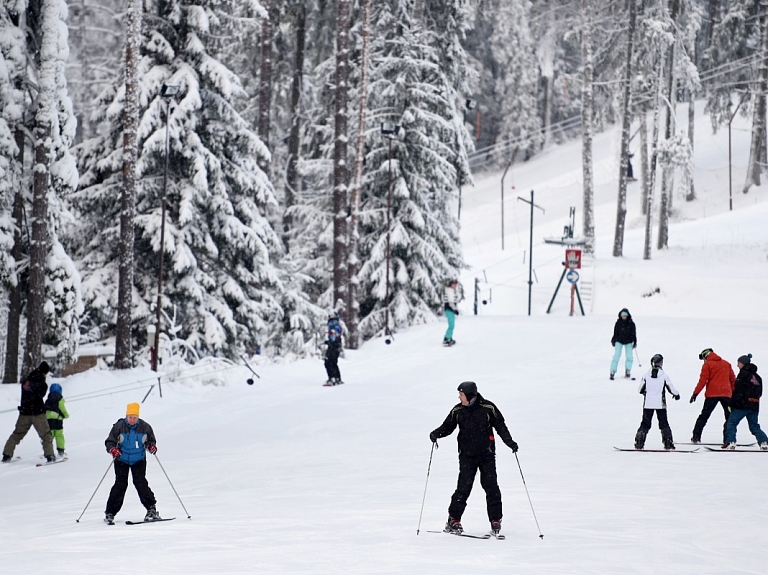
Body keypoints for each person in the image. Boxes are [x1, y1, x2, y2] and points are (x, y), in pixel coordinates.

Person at [429, 381, 519, 537]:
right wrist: (436, 433)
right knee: (463, 488)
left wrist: (509, 442)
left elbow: (500, 426)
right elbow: (448, 426)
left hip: (486, 455)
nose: (459, 397)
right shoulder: (457, 410)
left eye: (461, 394)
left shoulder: (488, 408)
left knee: (491, 487)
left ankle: (495, 519)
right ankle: (453, 520)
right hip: (467, 456)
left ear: (470, 395)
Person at [104, 402, 160, 525]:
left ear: (138, 417)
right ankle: (110, 513)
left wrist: (151, 446)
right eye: (130, 417)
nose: (132, 420)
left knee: (140, 483)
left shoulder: (145, 427)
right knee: (120, 484)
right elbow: (109, 442)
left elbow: (151, 440)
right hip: (121, 460)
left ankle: (151, 509)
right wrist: (113, 450)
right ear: (126, 416)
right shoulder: (119, 427)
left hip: (139, 460)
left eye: (135, 417)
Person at [2, 361, 56, 463]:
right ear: (45, 372)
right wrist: (44, 406)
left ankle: (6, 455)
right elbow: (39, 396)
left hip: (24, 412)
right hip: (37, 414)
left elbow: (27, 396)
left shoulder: (27, 380)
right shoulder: (42, 382)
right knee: (45, 435)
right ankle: (50, 456)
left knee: (17, 434)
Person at [634, 354, 680, 450]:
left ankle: (639, 441)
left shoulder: (646, 375)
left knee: (645, 424)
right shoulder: (664, 376)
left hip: (648, 403)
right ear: (661, 363)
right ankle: (668, 442)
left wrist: (647, 393)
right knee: (663, 423)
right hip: (660, 404)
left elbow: (640, 390)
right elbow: (671, 388)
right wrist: (676, 395)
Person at [690, 348, 735, 445]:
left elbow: (703, 380)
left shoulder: (707, 365)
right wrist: (734, 393)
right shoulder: (727, 364)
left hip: (712, 395)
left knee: (704, 416)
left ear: (706, 356)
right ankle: (728, 439)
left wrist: (695, 393)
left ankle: (696, 437)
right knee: (729, 417)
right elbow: (733, 380)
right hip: (726, 395)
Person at [724, 354, 768, 450]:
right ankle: (764, 442)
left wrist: (731, 403)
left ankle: (731, 442)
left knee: (731, 423)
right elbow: (759, 393)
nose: (737, 365)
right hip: (754, 405)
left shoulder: (742, 374)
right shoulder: (758, 377)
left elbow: (737, 391)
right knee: (754, 426)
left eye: (738, 363)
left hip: (741, 405)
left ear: (743, 363)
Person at [610, 308, 637, 380]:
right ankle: (612, 371)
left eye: (625, 315)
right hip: (619, 340)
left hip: (628, 341)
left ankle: (628, 370)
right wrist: (613, 340)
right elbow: (615, 332)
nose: (624, 317)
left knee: (629, 356)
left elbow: (634, 334)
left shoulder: (631, 323)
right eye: (622, 315)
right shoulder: (618, 323)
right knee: (616, 355)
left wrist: (635, 342)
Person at [45, 383, 69, 458]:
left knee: (49, 435)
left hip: (49, 420)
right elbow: (62, 408)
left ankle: (48, 451)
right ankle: (60, 451)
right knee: (59, 435)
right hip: (58, 420)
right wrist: (66, 415)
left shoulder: (48, 399)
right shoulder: (60, 398)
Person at [323, 309, 343, 386]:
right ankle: (336, 377)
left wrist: (330, 341)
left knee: (329, 361)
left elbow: (334, 335)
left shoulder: (334, 325)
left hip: (334, 345)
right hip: (334, 345)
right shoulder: (334, 324)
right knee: (332, 362)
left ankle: (332, 378)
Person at [443, 279, 459, 346]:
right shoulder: (450, 291)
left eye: (455, 284)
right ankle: (446, 338)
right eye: (453, 284)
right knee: (451, 325)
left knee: (452, 324)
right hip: (449, 309)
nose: (455, 285)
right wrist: (455, 309)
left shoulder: (452, 291)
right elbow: (451, 302)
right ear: (450, 285)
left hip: (450, 309)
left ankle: (449, 337)